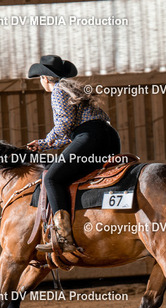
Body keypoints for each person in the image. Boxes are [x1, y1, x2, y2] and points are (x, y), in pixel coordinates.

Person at [26, 55, 121, 253]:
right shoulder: (71, 90)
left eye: (40, 79)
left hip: (90, 138)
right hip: (109, 138)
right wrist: (42, 145)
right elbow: (71, 134)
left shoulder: (57, 90)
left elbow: (64, 124)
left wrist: (46, 140)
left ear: (45, 78)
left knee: (51, 178)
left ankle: (63, 236)